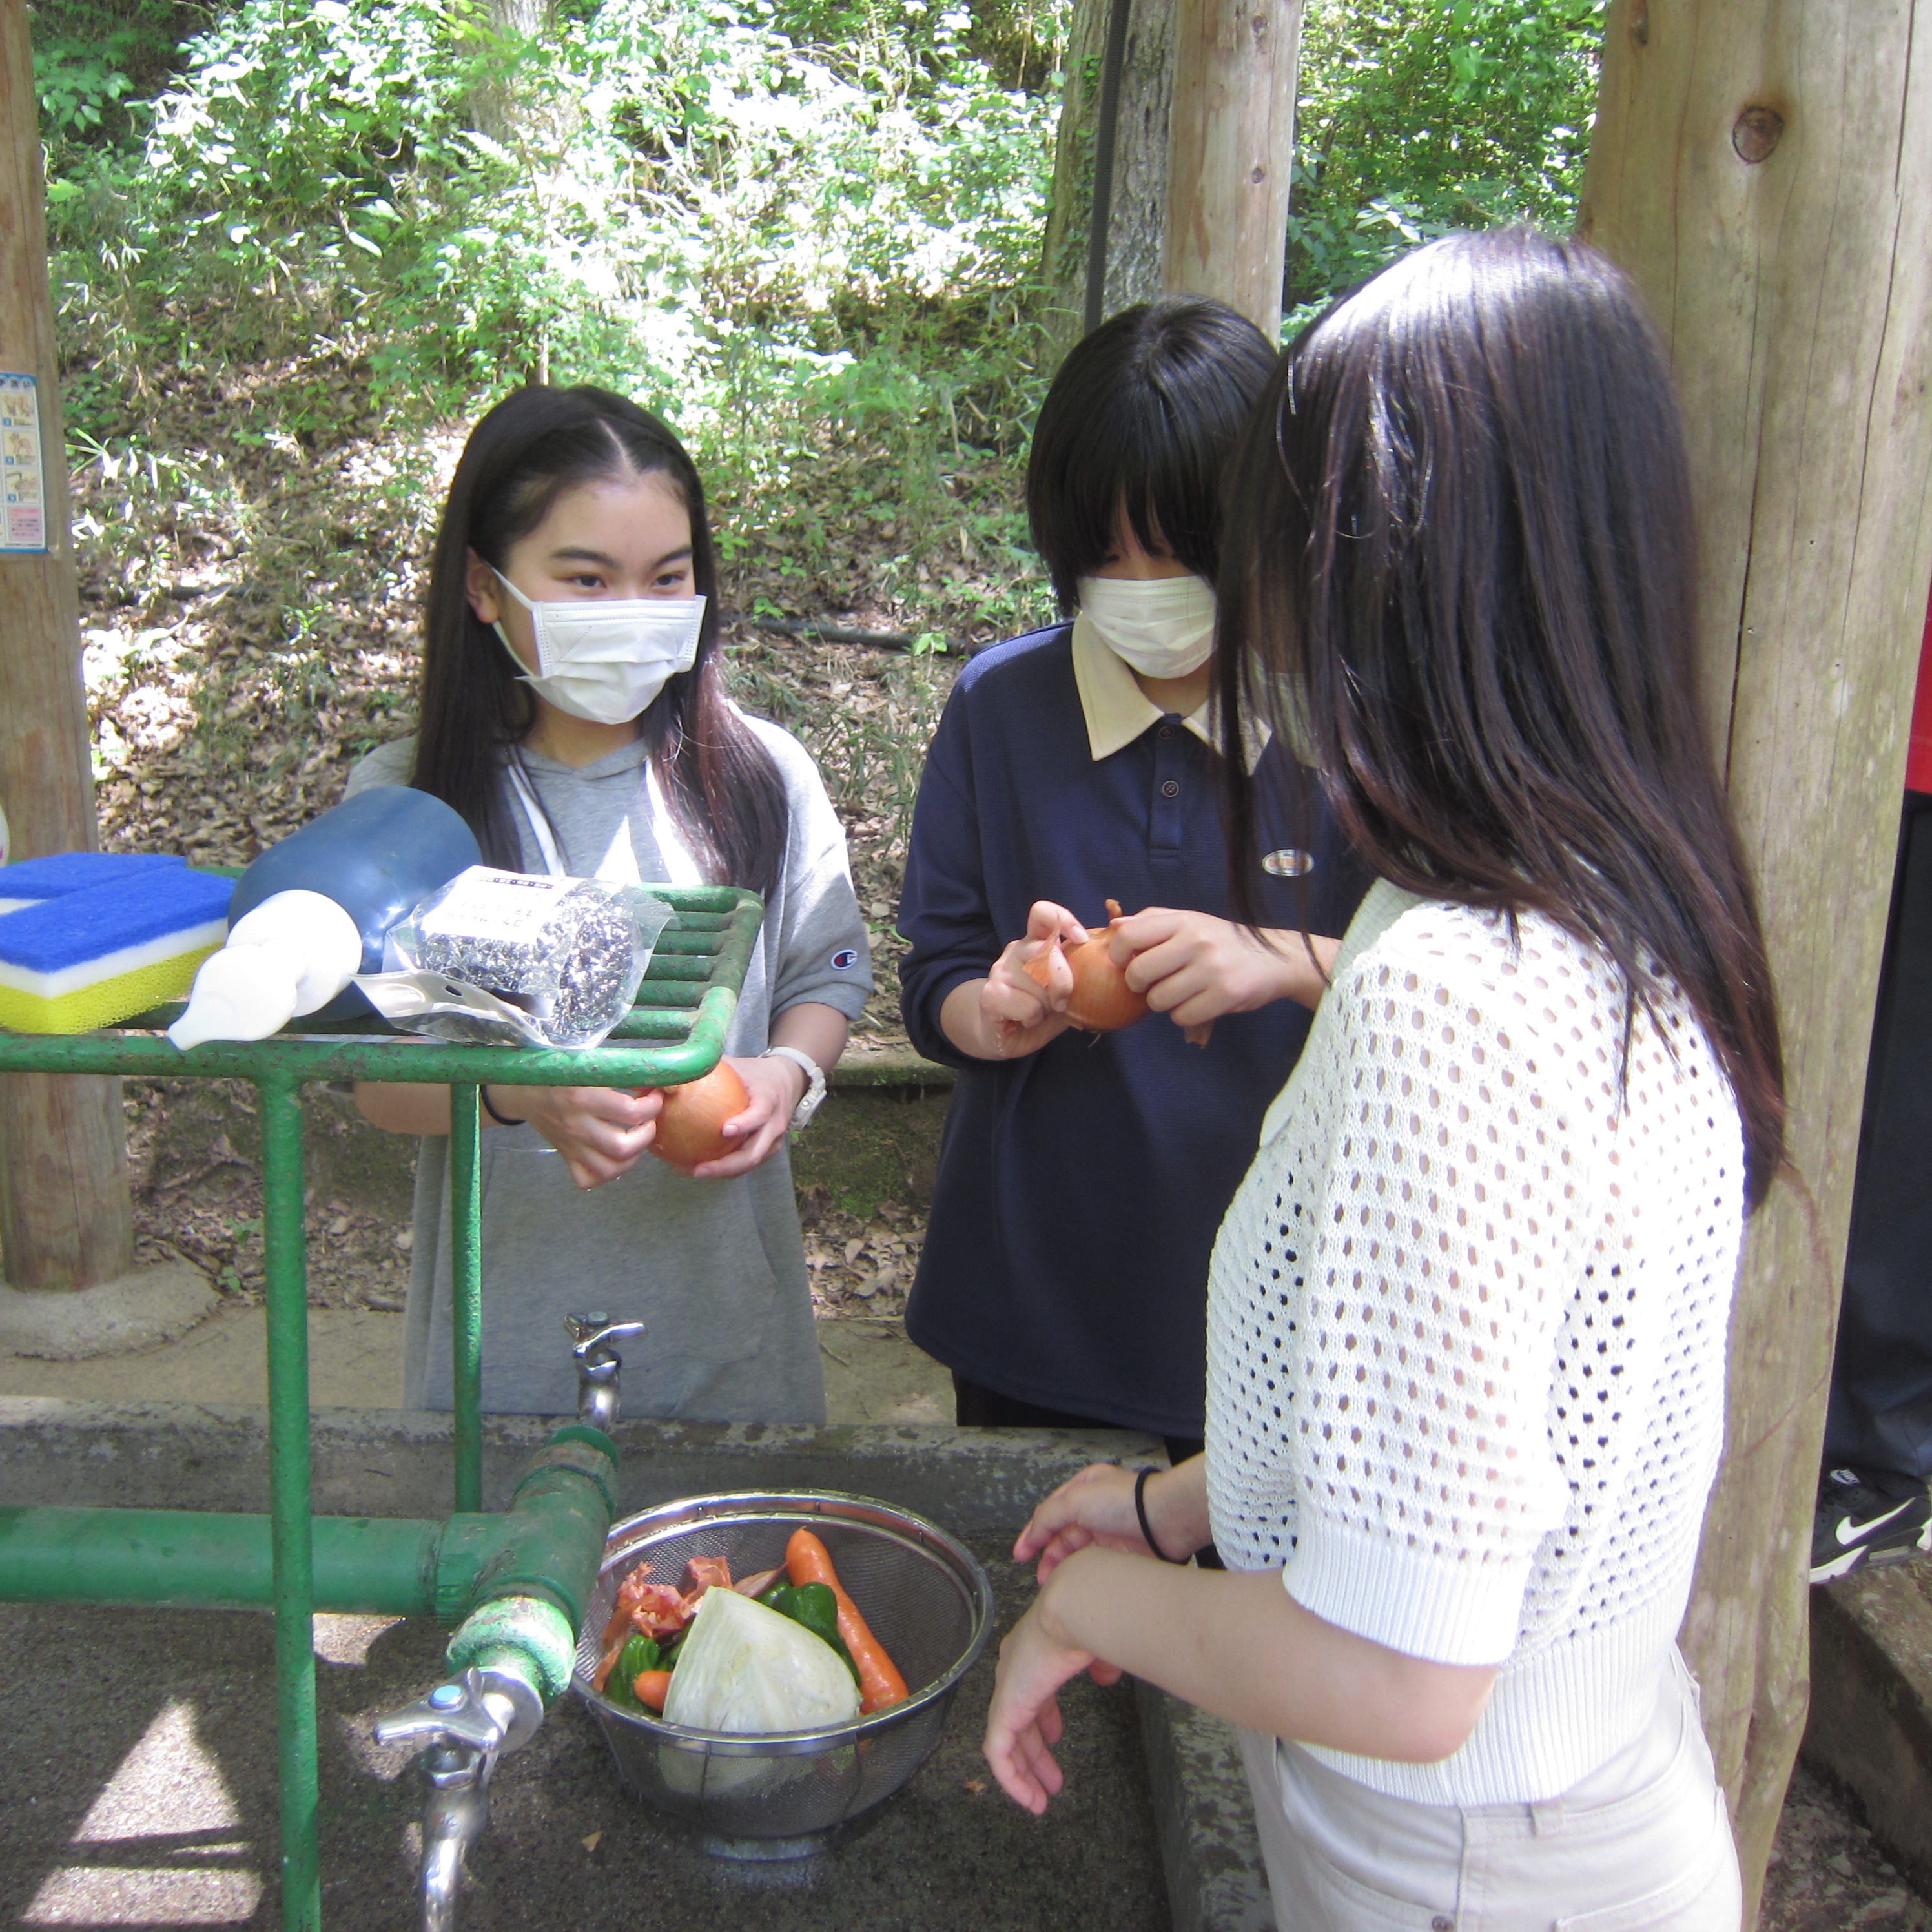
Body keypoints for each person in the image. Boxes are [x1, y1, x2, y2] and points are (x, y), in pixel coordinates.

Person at [982, 229, 1785, 1932]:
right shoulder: (1615, 897)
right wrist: (1174, 1506)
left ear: (1394, 573)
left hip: (1465, 1864)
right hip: (1579, 1797)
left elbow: (1404, 1674)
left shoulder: (1445, 992)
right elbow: (1471, 1427)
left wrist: (1090, 1618)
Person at [896, 298, 1367, 1487]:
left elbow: (1472, 985)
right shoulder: (1000, 710)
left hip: (1284, 1317)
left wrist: (1286, 960)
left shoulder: (1349, 730)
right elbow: (935, 971)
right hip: (1030, 1302)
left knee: (1231, 1647)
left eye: (1184, 550)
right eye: (1105, 556)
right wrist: (992, 1010)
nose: (1144, 587)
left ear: (1273, 525)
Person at [349, 384, 871, 1421]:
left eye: (665, 578)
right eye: (585, 580)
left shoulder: (761, 775)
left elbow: (829, 971)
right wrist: (520, 1093)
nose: (632, 612)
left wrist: (790, 1068)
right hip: (505, 1352)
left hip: (732, 1334)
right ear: (486, 588)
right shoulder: (409, 806)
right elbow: (374, 1076)